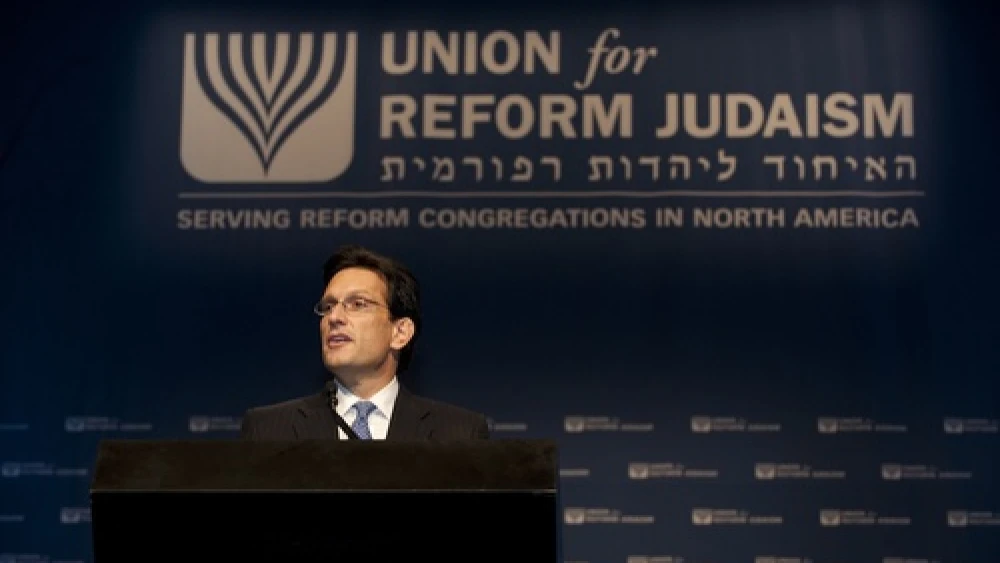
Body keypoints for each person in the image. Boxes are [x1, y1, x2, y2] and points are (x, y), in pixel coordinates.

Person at [240, 244, 490, 441]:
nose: (334, 318)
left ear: (400, 332)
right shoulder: (268, 430)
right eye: (328, 307)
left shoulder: (460, 433)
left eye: (358, 304)